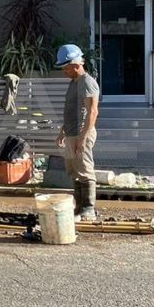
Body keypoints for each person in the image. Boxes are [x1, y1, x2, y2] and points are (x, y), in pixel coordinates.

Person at [54, 44, 100, 221]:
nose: (64, 71)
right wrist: (62, 132)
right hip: (72, 134)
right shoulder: (74, 83)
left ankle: (88, 209)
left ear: (75, 64)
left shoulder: (87, 82)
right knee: (74, 171)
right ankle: (79, 208)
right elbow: (72, 110)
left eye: (66, 67)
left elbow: (92, 112)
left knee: (85, 170)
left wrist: (83, 137)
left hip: (82, 134)